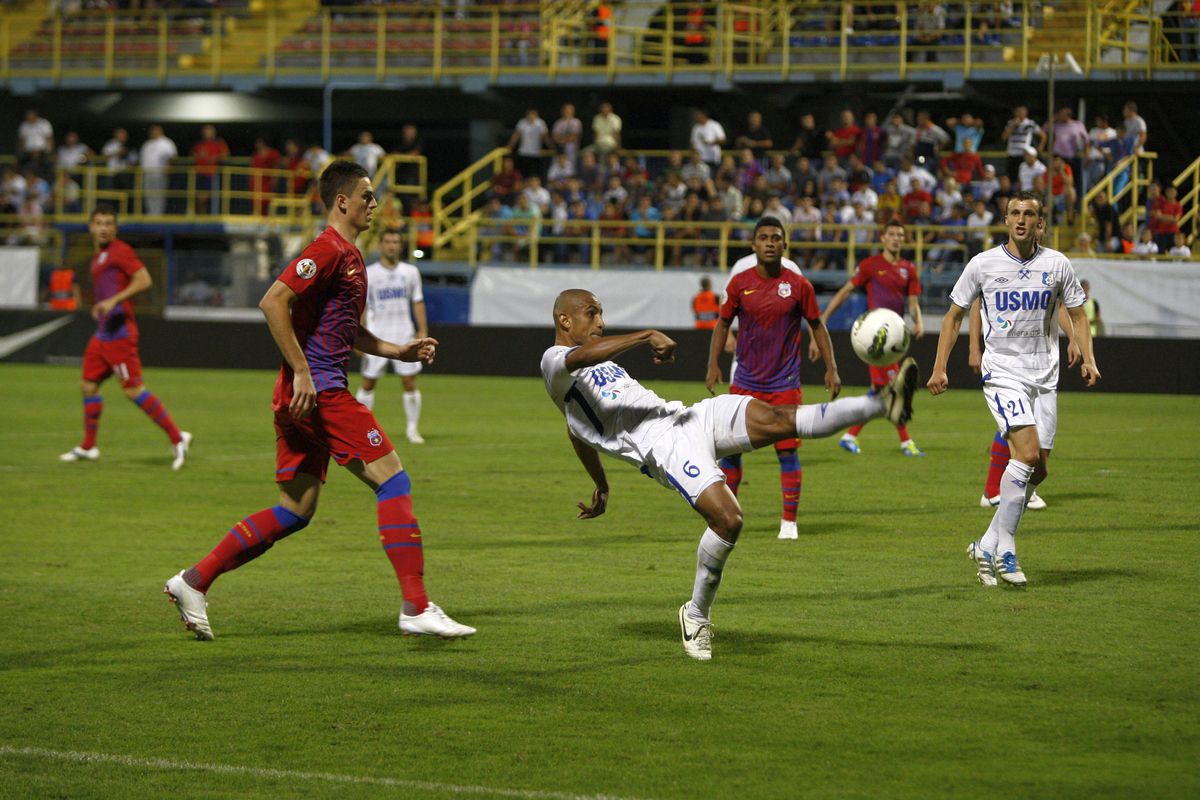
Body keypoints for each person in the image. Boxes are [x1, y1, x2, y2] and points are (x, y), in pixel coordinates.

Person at [163, 161, 473, 641]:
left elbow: (342, 328)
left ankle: (194, 580)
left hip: (299, 392)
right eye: (367, 196)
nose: (374, 204)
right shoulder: (327, 249)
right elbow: (273, 302)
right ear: (342, 202)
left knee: (295, 507)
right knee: (394, 482)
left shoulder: (347, 256)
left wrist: (396, 350)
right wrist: (306, 372)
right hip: (320, 390)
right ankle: (416, 604)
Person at [543, 288, 918, 660]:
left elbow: (574, 427)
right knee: (728, 520)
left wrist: (601, 485)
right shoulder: (553, 360)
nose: (601, 322)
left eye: (600, 313)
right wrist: (645, 335)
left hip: (689, 416)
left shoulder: (586, 373)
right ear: (565, 320)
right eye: (592, 313)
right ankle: (695, 615)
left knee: (778, 418)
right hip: (665, 448)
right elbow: (579, 375)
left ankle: (881, 402)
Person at [927, 191, 1100, 587]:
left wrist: (1087, 355)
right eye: (1015, 213)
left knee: (1038, 469)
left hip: (1045, 376)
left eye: (1030, 213)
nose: (1021, 219)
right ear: (1006, 219)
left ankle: (986, 541)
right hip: (1003, 371)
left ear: (1040, 223)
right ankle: (1006, 550)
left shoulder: (1057, 264)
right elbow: (954, 316)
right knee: (1024, 454)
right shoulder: (983, 264)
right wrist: (940, 367)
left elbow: (1076, 311)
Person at [705, 219, 829, 541]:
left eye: (776, 238)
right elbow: (722, 324)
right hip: (745, 382)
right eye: (763, 238)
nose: (770, 243)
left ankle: (789, 522)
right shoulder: (739, 283)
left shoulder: (799, 285)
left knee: (787, 453)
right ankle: (728, 515)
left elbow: (817, 324)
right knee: (730, 453)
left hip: (784, 384)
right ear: (754, 245)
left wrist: (832, 367)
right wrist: (713, 365)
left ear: (784, 245)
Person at [60, 208, 191, 469]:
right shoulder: (99, 257)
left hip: (120, 334)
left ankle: (178, 438)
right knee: (88, 385)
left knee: (133, 390)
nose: (104, 228)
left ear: (116, 228)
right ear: (91, 228)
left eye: (109, 223)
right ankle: (89, 447)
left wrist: (113, 300)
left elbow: (144, 280)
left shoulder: (120, 251)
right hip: (103, 334)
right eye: (99, 223)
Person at [809, 220, 926, 456]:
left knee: (880, 393)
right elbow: (846, 290)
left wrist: (919, 320)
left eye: (900, 234)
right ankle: (906, 443)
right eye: (891, 234)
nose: (896, 238)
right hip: (875, 339)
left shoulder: (908, 269)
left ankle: (850, 435)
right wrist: (825, 316)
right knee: (894, 391)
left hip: (895, 338)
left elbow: (912, 303)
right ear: (882, 238)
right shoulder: (870, 265)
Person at [356, 229, 429, 444]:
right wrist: (358, 336)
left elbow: (417, 301)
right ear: (381, 245)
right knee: (368, 383)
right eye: (388, 241)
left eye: (396, 242)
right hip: (376, 335)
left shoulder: (410, 272)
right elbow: (362, 306)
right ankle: (364, 429)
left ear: (401, 245)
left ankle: (412, 429)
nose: (391, 246)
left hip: (404, 333)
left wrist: (422, 330)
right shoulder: (369, 273)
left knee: (409, 382)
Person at [139, 125, 177, 216]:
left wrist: (168, 167)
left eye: (156, 130)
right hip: (148, 173)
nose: (153, 132)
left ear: (160, 131)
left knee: (159, 194)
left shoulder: (166, 142)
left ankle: (158, 214)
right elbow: (142, 160)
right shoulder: (147, 144)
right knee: (148, 193)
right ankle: (151, 213)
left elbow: (172, 156)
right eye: (152, 131)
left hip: (160, 172)